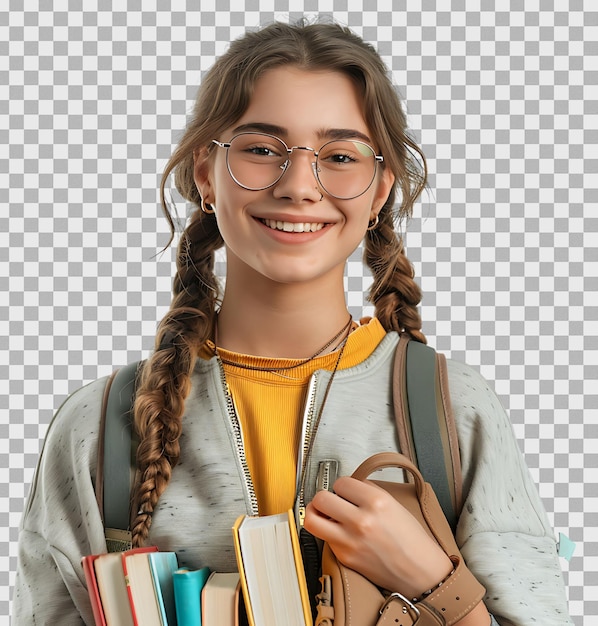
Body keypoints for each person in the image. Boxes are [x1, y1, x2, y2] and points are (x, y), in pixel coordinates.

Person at [13, 20, 572, 626]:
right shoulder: (97, 427)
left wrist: (434, 583)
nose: (300, 186)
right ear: (206, 171)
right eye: (260, 149)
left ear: (381, 187)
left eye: (338, 156)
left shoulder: (454, 412)